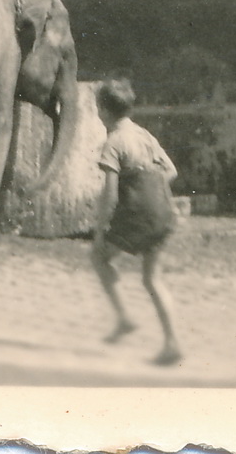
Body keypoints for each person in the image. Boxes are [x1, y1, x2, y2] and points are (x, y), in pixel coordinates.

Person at [88, 79, 182, 366]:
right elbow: (172, 171)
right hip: (164, 212)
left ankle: (125, 318)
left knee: (100, 257)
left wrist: (101, 230)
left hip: (137, 215)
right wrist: (149, 185)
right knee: (152, 279)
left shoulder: (113, 142)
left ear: (102, 110)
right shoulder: (144, 135)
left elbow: (110, 196)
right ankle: (172, 342)